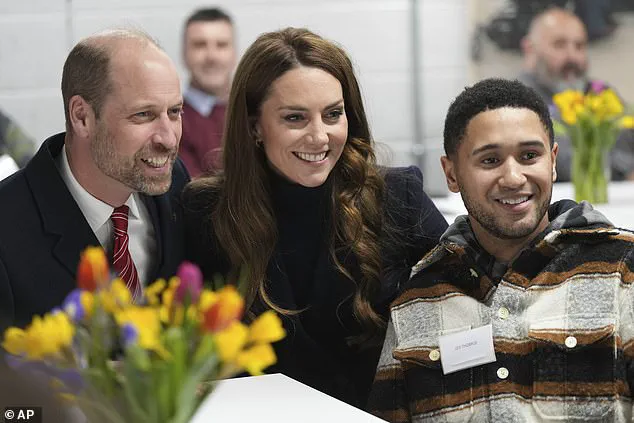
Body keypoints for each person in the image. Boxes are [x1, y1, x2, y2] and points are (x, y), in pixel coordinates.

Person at [182, 27, 448, 409]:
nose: (319, 136)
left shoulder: (396, 196)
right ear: (255, 125)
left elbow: (459, 307)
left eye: (333, 114)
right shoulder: (206, 212)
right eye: (295, 118)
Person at [368, 78, 634, 422]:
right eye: (490, 160)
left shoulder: (621, 271)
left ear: (552, 160)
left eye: (529, 155)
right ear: (451, 174)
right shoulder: (418, 297)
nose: (513, 177)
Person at [0, 29, 190, 332]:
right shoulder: (8, 225)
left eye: (175, 112)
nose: (168, 139)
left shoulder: (174, 181)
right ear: (82, 117)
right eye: (143, 115)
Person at [519, 6, 634, 181]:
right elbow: (559, 162)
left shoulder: (599, 92)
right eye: (559, 45)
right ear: (529, 49)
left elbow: (627, 138)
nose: (572, 56)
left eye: (579, 46)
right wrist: (622, 170)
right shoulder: (516, 100)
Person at [179, 7, 237, 177]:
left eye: (221, 45)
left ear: (234, 53)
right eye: (199, 45)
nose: (212, 56)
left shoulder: (254, 113)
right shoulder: (172, 122)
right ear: (184, 53)